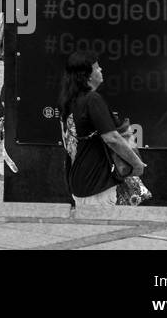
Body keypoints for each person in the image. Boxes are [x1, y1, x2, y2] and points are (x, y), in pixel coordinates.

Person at [59, 52, 146, 210]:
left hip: (79, 180)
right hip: (97, 185)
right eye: (97, 68)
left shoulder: (69, 101)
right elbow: (112, 138)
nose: (101, 69)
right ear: (88, 76)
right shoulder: (92, 100)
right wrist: (137, 164)